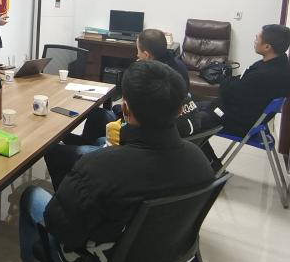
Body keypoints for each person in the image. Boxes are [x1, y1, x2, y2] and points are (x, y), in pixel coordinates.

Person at [4, 60, 214, 262]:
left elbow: (58, 224)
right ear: (179, 111)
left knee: (31, 196)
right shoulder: (200, 161)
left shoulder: (100, 166)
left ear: (125, 108)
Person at [45, 29, 199, 187]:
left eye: (138, 51)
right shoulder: (178, 69)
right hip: (157, 132)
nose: (136, 55)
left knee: (55, 152)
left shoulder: (152, 79)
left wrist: (120, 116)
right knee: (97, 115)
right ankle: (85, 143)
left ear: (147, 55)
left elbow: (138, 120)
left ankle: (84, 152)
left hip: (139, 140)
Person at [197, 24, 290, 168]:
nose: (254, 41)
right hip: (247, 114)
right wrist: (230, 83)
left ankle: (210, 167)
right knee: (193, 107)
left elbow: (230, 92)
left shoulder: (264, 74)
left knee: (191, 122)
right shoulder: (280, 64)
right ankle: (211, 163)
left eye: (257, 38)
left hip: (240, 122)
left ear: (267, 47)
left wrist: (225, 82)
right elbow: (241, 87)